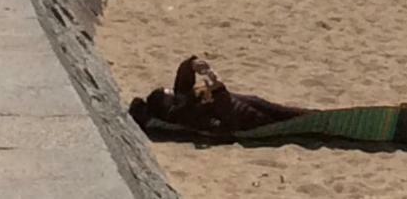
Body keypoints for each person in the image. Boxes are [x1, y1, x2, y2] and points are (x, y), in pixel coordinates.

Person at [131, 56, 311, 137]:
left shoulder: (183, 100)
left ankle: (311, 116)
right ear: (169, 106)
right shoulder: (187, 115)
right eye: (170, 95)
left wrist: (193, 65)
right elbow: (225, 126)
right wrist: (218, 92)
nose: (175, 92)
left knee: (286, 112)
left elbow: (182, 77)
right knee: (285, 118)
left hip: (245, 102)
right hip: (246, 118)